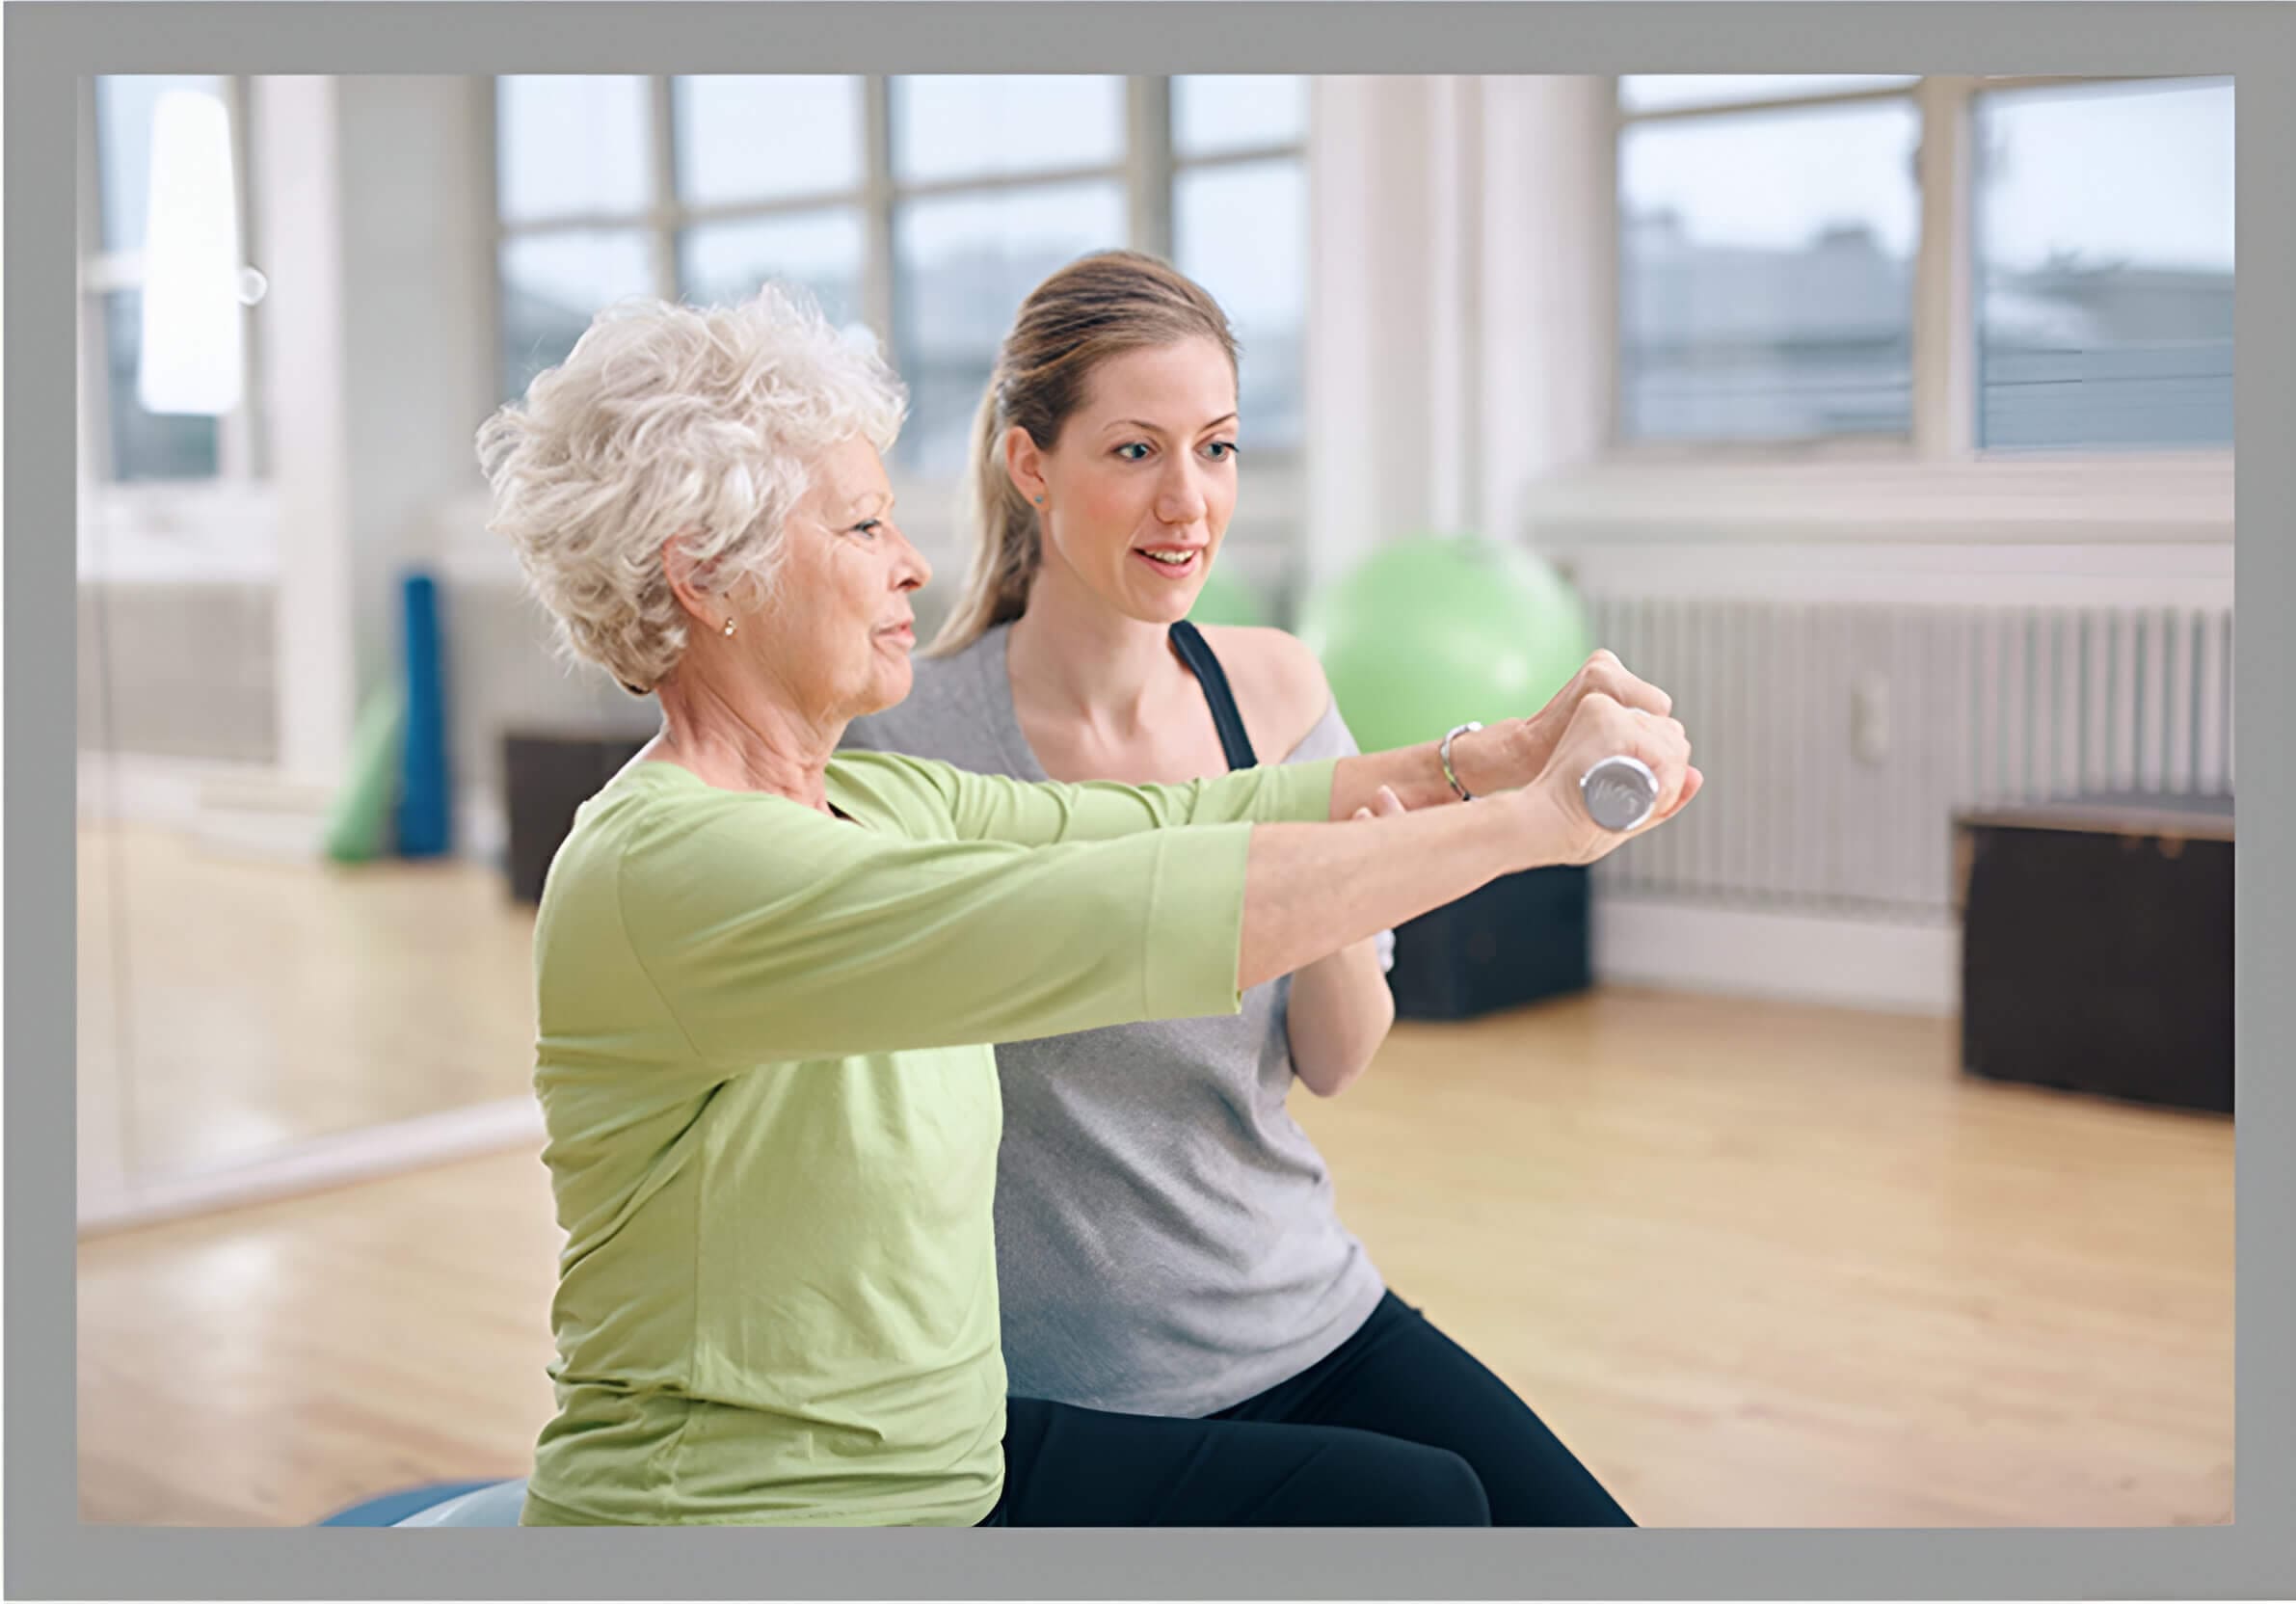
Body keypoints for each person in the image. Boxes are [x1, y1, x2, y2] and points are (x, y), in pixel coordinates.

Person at [474, 283, 1700, 1527]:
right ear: (708, 575)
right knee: (1414, 1513)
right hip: (759, 1510)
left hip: (951, 1461)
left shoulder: (877, 799)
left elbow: (1178, 821)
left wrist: (1483, 762)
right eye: (859, 528)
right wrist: (1538, 827)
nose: (910, 562)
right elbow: (1125, 913)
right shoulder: (686, 868)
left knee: (1440, 1501)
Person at [846, 251, 1671, 1526]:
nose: (1188, 500)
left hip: (1303, 1311)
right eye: (1134, 451)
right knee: (1427, 1515)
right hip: (1069, 1393)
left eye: (1218, 448)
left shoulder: (1271, 691)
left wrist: (1341, 895)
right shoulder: (911, 738)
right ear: (1031, 465)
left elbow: (1339, 1061)